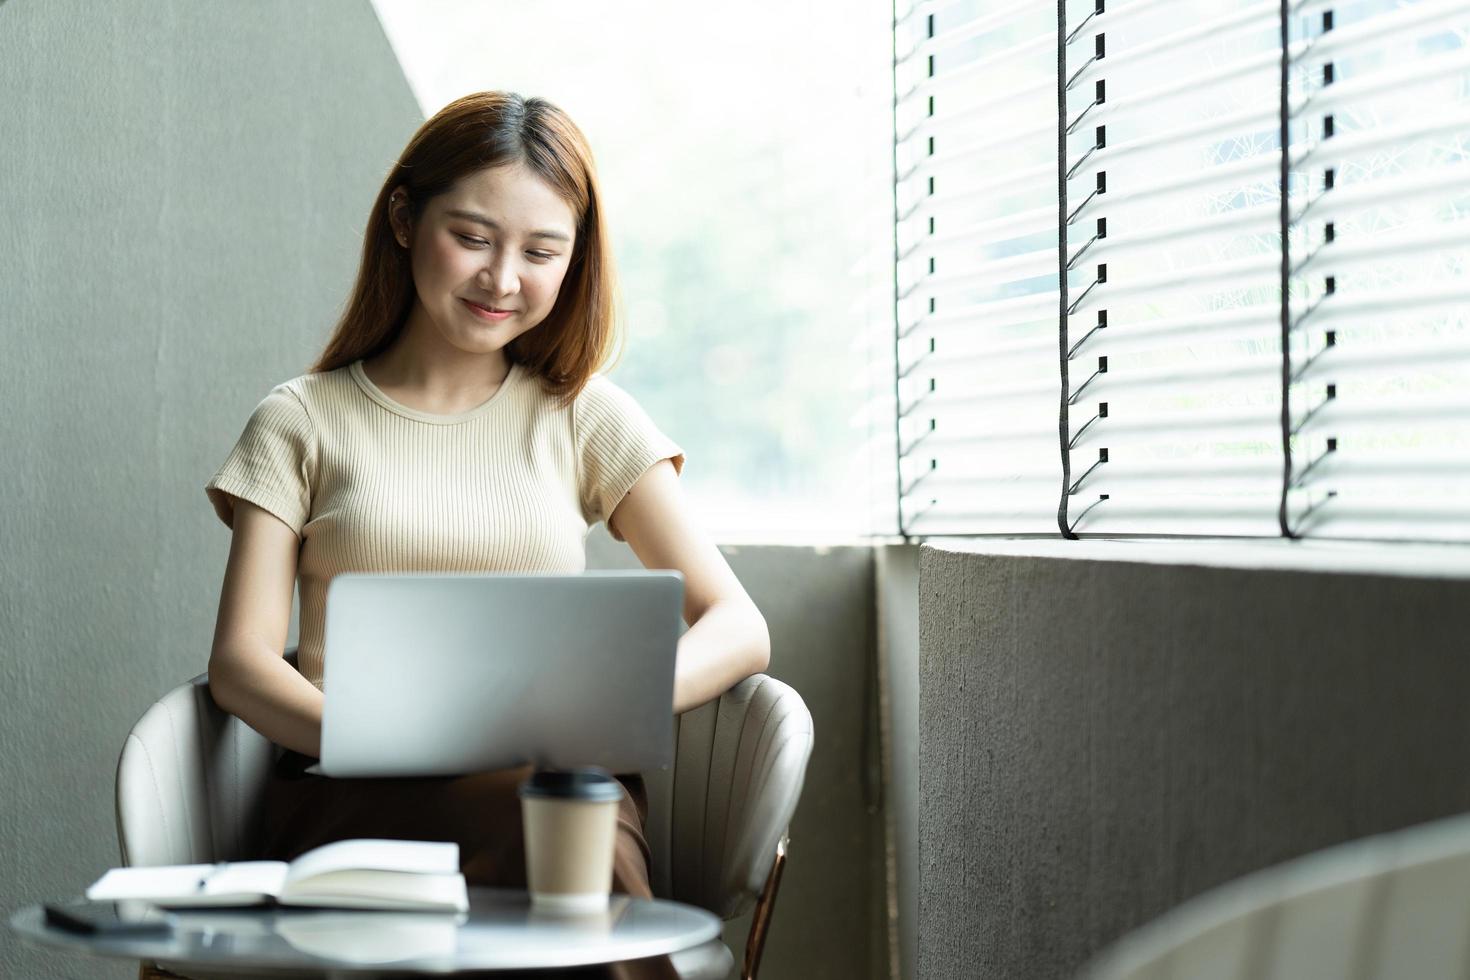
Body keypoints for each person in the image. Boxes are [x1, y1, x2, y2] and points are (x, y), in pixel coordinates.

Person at [202, 91, 771, 979]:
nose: (503, 279)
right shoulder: (299, 421)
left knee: (558, 824)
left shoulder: (585, 416)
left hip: (554, 789)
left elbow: (740, 626)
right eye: (471, 237)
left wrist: (606, 712)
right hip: (353, 794)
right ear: (403, 217)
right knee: (552, 840)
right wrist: (386, 737)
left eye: (542, 251)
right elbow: (242, 664)